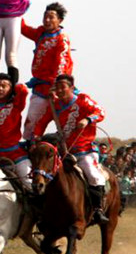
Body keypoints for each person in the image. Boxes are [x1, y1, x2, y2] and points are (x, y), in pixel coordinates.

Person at [33, 74, 109, 224]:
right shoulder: (54, 105)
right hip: (64, 150)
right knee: (44, 174)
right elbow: (41, 122)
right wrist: (36, 136)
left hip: (85, 150)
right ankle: (43, 212)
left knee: (93, 175)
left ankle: (97, 209)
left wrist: (87, 119)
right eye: (58, 87)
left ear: (71, 88)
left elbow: (101, 112)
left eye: (63, 87)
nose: (60, 90)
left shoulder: (82, 99)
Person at [20, 2, 74, 140]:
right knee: (31, 122)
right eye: (45, 17)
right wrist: (15, 9)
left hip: (58, 90)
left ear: (60, 20)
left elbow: (61, 64)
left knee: (65, 124)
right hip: (40, 88)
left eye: (51, 17)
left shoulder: (62, 38)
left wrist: (56, 88)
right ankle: (29, 148)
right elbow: (24, 29)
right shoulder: (40, 33)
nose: (47, 20)